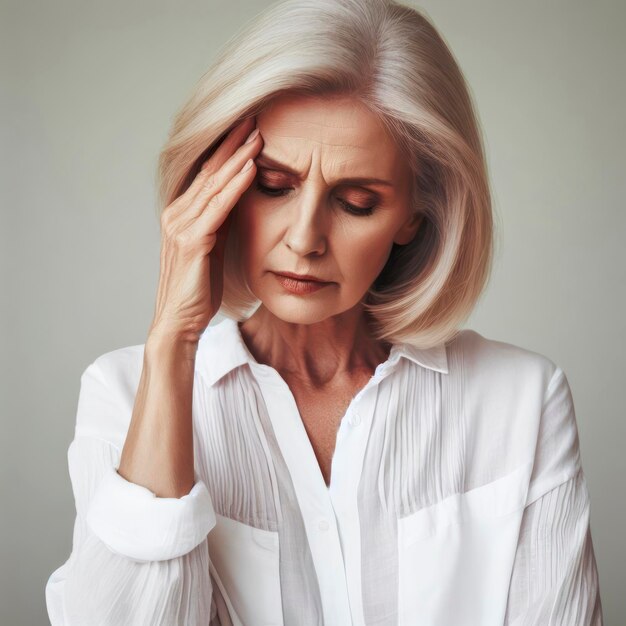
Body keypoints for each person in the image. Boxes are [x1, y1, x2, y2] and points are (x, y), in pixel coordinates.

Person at [45, 0, 603, 624]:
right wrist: (172, 341)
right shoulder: (124, 398)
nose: (305, 238)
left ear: (414, 216)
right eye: (274, 186)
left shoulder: (522, 403)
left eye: (357, 201)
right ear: (217, 185)